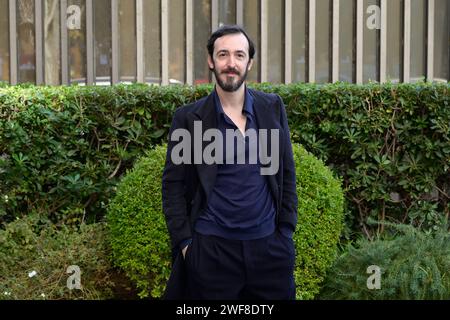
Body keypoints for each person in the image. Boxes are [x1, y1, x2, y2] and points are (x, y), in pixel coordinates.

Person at [162, 25, 298, 300]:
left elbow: (286, 172)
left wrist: (285, 233)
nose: (231, 63)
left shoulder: (271, 108)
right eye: (223, 54)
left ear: (250, 62)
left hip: (269, 250)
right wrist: (187, 245)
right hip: (211, 252)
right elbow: (173, 185)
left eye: (239, 55)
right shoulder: (189, 119)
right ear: (211, 61)